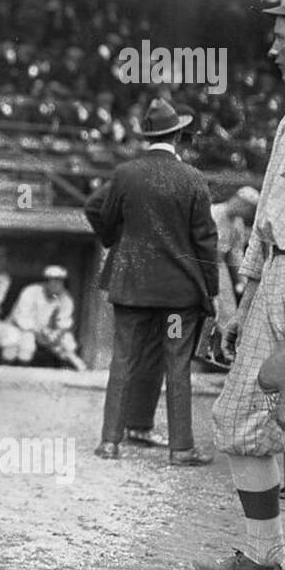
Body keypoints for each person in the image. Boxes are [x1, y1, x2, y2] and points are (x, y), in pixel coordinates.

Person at [196, 0, 285, 570]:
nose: (272, 45)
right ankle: (263, 551)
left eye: (284, 32)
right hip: (276, 274)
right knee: (239, 419)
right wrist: (243, 298)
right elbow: (267, 209)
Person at [84, 98, 219, 464]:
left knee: (123, 360)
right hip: (177, 297)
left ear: (147, 136)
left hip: (132, 288)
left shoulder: (126, 174)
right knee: (177, 365)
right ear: (177, 134)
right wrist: (212, 290)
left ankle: (109, 442)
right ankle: (181, 449)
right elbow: (206, 240)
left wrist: (117, 240)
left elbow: (97, 209)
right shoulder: (193, 178)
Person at [0, 266, 87, 370]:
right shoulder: (31, 291)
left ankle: (69, 370)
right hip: (19, 327)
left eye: (59, 280)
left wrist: (57, 334)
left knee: (68, 344)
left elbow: (64, 322)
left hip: (46, 332)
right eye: (52, 280)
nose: (55, 284)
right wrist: (40, 330)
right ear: (46, 281)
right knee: (24, 345)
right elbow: (21, 318)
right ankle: (9, 375)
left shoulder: (65, 298)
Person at [210, 186, 260, 347]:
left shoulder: (237, 223)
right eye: (246, 206)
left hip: (220, 268)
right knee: (208, 310)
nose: (247, 211)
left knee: (228, 311)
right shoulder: (212, 212)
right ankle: (203, 350)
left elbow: (235, 253)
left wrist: (242, 281)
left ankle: (222, 350)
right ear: (237, 200)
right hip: (201, 267)